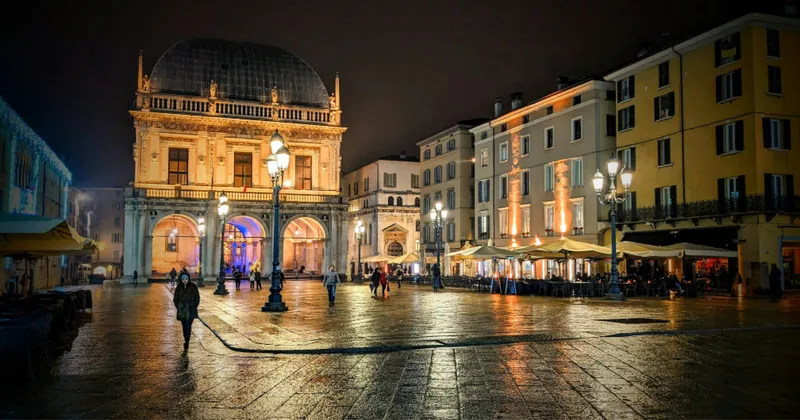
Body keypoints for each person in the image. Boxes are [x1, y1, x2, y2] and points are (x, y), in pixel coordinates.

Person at [173, 273, 200, 351]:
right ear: (181, 280)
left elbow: (197, 298)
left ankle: (187, 340)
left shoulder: (193, 287)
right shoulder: (179, 287)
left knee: (188, 325)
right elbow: (175, 299)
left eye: (186, 279)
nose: (185, 281)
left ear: (188, 279)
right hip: (182, 310)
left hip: (191, 310)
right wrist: (179, 307)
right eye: (183, 279)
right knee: (184, 325)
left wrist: (194, 306)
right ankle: (186, 338)